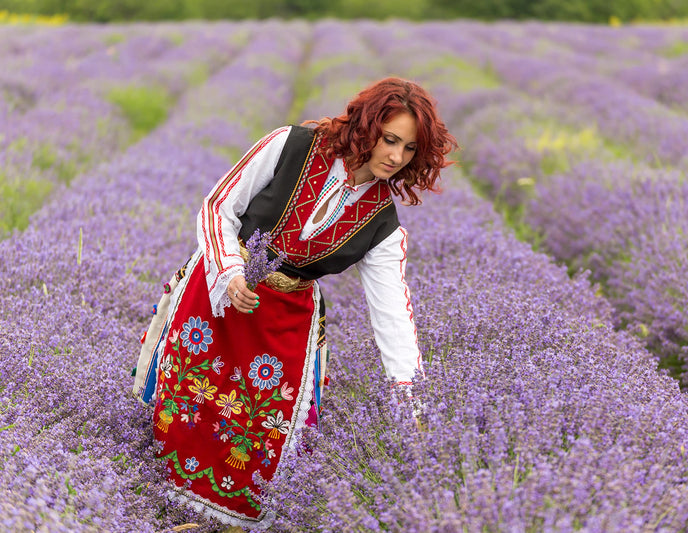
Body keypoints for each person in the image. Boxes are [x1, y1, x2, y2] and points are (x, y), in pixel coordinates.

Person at [131, 77, 457, 529]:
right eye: (390, 140)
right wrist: (228, 273)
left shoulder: (384, 224)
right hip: (218, 299)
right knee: (188, 413)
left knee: (258, 440)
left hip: (285, 326)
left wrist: (412, 404)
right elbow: (217, 208)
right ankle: (150, 512)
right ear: (366, 126)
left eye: (408, 149)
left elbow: (393, 317)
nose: (395, 157)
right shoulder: (291, 144)